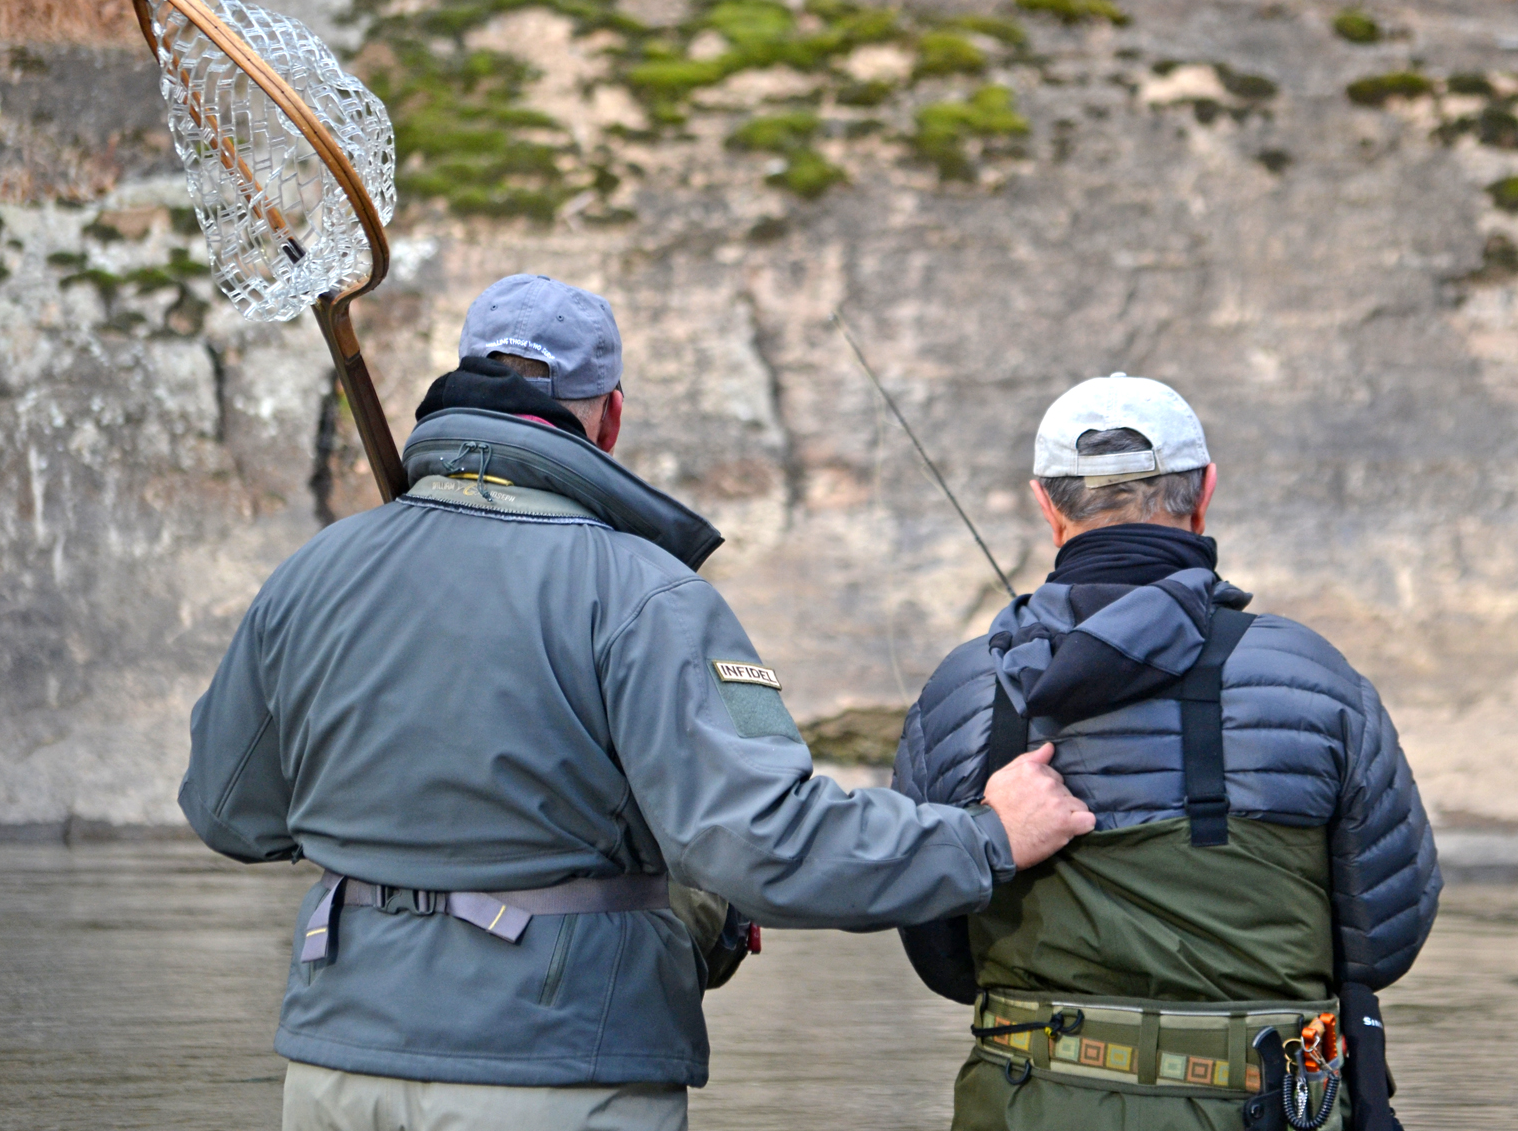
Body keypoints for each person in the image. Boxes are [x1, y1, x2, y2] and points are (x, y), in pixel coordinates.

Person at [178, 274, 1095, 1131]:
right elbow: (765, 843)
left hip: (336, 1075)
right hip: (552, 1073)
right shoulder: (645, 594)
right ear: (609, 418)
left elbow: (229, 815)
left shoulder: (311, 576)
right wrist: (985, 837)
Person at [894, 373, 1441, 1131]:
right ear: (1204, 492)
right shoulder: (1316, 677)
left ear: (1046, 504)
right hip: (1267, 1108)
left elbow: (938, 953)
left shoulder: (966, 689)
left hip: (1027, 1104)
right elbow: (1385, 936)